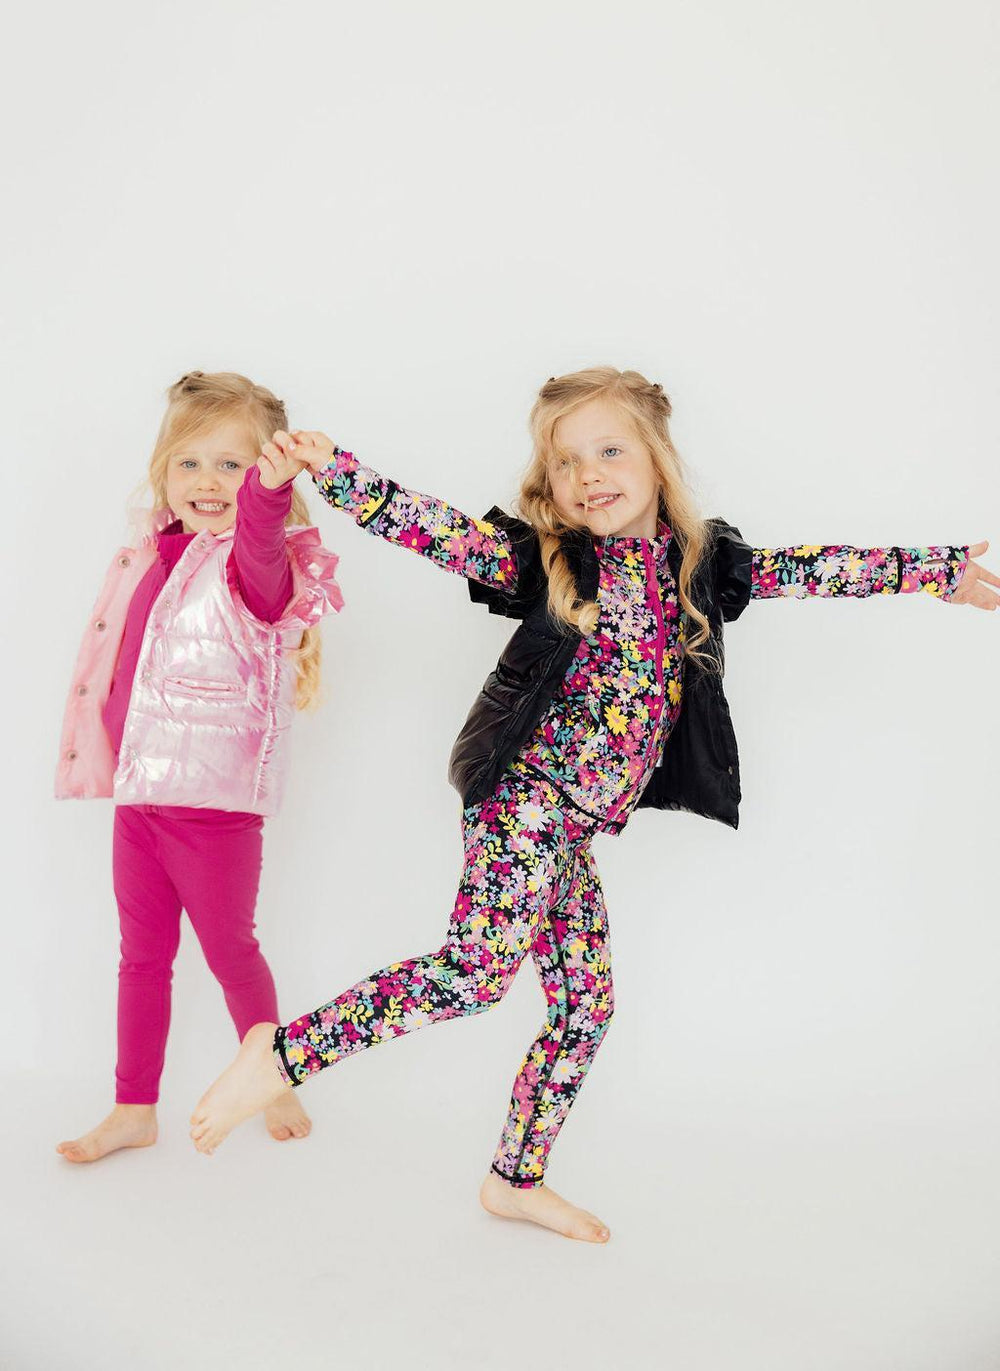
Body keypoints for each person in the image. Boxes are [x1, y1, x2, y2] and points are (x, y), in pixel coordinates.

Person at [188, 366, 994, 1242]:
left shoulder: (701, 566)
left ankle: (514, 1177)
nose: (588, 475)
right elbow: (437, 530)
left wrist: (935, 571)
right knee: (474, 972)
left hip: (572, 828)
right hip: (524, 797)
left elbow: (810, 569)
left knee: (585, 1008)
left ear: (656, 458)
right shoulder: (549, 560)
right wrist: (334, 468)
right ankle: (281, 1054)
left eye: (609, 451)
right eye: (566, 461)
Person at [56, 371, 343, 1163]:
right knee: (141, 957)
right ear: (164, 471)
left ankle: (273, 1079)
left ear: (265, 476)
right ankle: (133, 1107)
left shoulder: (256, 565)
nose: (207, 481)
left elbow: (259, 531)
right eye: (189, 462)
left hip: (212, 807)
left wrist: (269, 492)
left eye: (231, 464)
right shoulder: (156, 554)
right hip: (139, 797)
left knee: (230, 952)